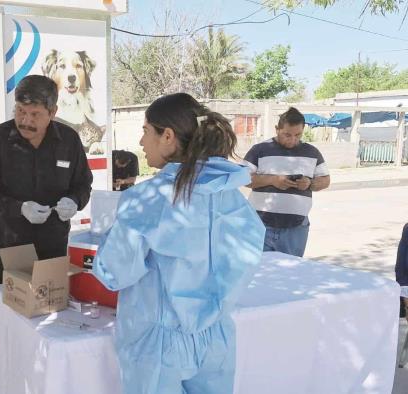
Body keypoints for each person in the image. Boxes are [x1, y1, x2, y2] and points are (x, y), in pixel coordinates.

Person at [92, 93, 265, 394]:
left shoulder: (147, 199)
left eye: (146, 131)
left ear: (167, 136)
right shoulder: (230, 195)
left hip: (158, 346)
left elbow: (114, 273)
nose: (142, 142)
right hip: (217, 337)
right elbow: (245, 259)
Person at [0, 75, 93, 313]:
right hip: (7, 252)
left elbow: (83, 184)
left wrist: (75, 201)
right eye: (20, 111)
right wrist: (18, 208)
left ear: (53, 111)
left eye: (35, 114)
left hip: (52, 252)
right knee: (1, 320)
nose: (25, 120)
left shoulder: (68, 141)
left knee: (48, 322)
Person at [242, 107, 331, 257]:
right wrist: (272, 180)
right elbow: (243, 178)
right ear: (277, 129)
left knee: (290, 272)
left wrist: (309, 183)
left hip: (295, 229)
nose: (292, 140)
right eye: (287, 135)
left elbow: (325, 180)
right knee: (257, 272)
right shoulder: (259, 150)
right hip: (260, 225)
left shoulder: (312, 152)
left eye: (298, 135)